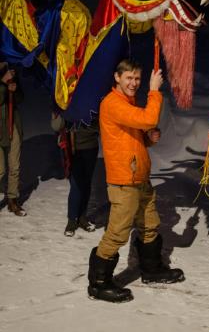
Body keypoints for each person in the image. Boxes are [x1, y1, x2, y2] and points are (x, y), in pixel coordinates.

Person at [87, 58, 184, 303]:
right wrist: (153, 90)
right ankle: (98, 284)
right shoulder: (112, 104)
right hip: (124, 181)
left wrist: (148, 139)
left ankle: (151, 270)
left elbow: (136, 135)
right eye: (129, 78)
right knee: (118, 232)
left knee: (150, 224)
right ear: (117, 78)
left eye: (138, 79)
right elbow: (147, 118)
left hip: (140, 177)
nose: (134, 83)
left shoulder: (127, 103)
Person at [51, 113, 99, 236]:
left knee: (87, 183)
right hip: (71, 148)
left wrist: (80, 125)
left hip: (90, 147)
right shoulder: (66, 99)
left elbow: (99, 126)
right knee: (76, 185)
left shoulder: (93, 101)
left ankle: (82, 217)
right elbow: (56, 126)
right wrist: (59, 115)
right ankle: (72, 220)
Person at [0, 62, 26, 216]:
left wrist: (14, 90)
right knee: (1, 170)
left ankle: (12, 199)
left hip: (12, 125)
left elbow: (20, 98)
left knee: (14, 166)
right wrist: (3, 83)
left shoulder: (12, 72)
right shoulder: (4, 75)